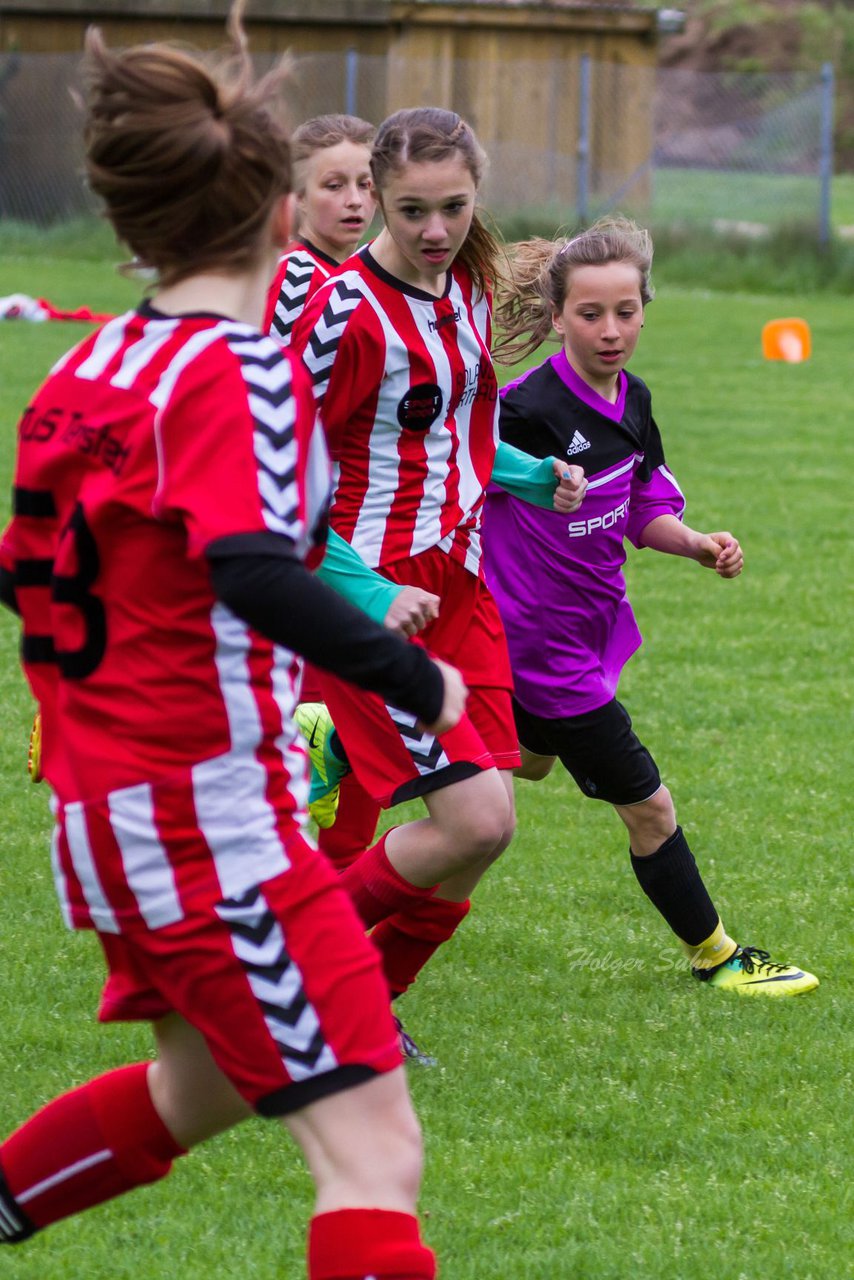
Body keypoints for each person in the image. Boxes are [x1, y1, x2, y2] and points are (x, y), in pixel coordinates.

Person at [0, 9, 471, 1275]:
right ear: (279, 217)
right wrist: (410, 670)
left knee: (192, 1091)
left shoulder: (88, 369)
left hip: (107, 810)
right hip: (207, 820)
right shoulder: (240, 373)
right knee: (372, 1152)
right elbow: (254, 567)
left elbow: (29, 570)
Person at [288, 107, 586, 1022]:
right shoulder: (343, 312)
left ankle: (361, 1013)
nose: (433, 231)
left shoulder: (468, 286)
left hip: (462, 585)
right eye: (412, 210)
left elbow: (451, 434)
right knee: (477, 818)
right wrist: (368, 592)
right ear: (376, 196)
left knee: (480, 836)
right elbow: (275, 479)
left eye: (453, 208)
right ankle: (277, 985)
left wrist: (537, 477)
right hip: (378, 597)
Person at [481, 215, 817, 996]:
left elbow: (637, 506)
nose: (609, 330)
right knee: (651, 810)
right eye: (590, 314)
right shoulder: (523, 412)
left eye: (625, 312)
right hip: (541, 644)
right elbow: (453, 476)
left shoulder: (634, 401)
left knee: (525, 764)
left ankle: (344, 741)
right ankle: (717, 955)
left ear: (644, 310)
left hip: (586, 627)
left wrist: (695, 541)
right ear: (557, 313)